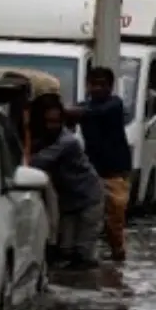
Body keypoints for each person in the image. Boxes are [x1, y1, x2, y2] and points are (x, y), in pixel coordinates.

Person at [68, 67, 132, 262]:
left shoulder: (114, 104)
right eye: (93, 84)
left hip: (115, 172)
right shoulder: (84, 108)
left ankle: (118, 253)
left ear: (111, 87)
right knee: (89, 216)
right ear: (87, 85)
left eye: (102, 85)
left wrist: (67, 112)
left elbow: (90, 113)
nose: (97, 89)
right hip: (92, 171)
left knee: (115, 218)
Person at [32, 101, 105, 269]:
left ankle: (88, 286)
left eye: (56, 122)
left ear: (63, 122)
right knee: (66, 249)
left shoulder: (68, 141)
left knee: (84, 251)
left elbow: (39, 161)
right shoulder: (46, 140)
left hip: (89, 197)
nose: (52, 126)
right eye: (48, 122)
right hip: (69, 200)